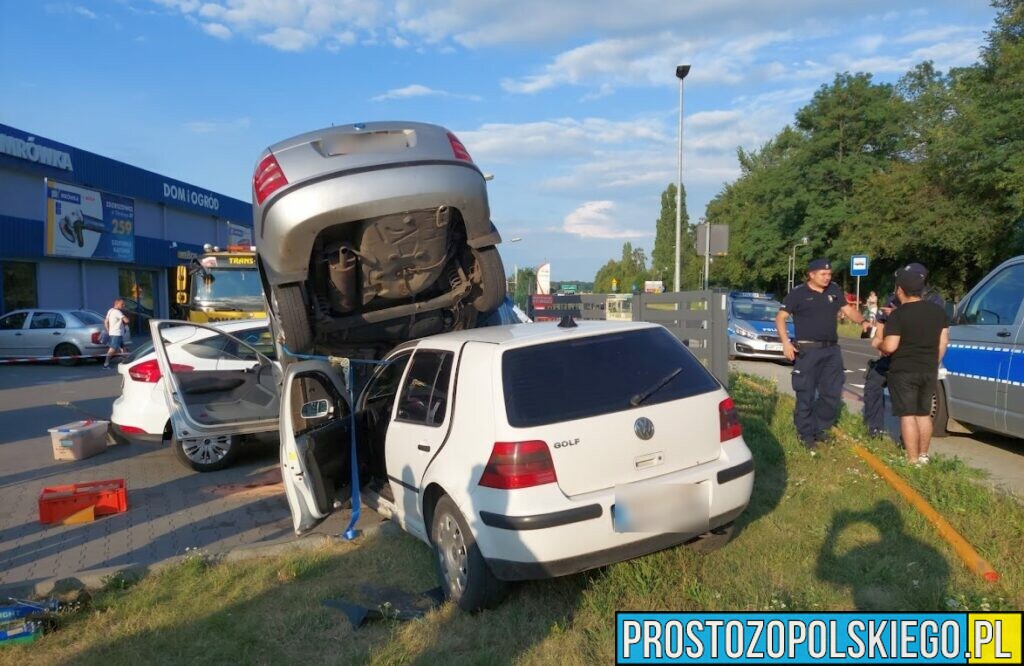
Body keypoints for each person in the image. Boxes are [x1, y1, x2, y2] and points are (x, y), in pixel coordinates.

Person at [776, 258, 867, 450]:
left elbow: (848, 310)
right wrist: (785, 342)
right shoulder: (798, 293)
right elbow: (781, 317)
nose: (827, 277)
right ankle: (805, 434)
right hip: (808, 350)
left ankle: (820, 429)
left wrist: (863, 322)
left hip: (831, 350)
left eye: (829, 274)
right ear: (811, 274)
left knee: (832, 393)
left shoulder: (833, 290)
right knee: (806, 393)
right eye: (823, 274)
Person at [873, 267, 949, 465]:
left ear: (900, 290)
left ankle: (912, 459)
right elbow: (943, 342)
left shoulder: (898, 315)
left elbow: (890, 346)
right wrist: (933, 361)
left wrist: (878, 343)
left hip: (904, 371)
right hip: (929, 370)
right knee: (923, 414)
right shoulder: (938, 312)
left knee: (907, 415)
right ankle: (924, 456)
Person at [103, 298, 129, 368]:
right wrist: (126, 317)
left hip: (114, 333)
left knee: (123, 347)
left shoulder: (110, 310)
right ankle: (106, 364)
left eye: (124, 304)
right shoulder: (118, 312)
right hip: (117, 333)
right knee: (112, 349)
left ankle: (126, 362)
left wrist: (108, 330)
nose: (123, 305)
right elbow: (126, 321)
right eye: (122, 304)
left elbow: (105, 321)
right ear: (116, 303)